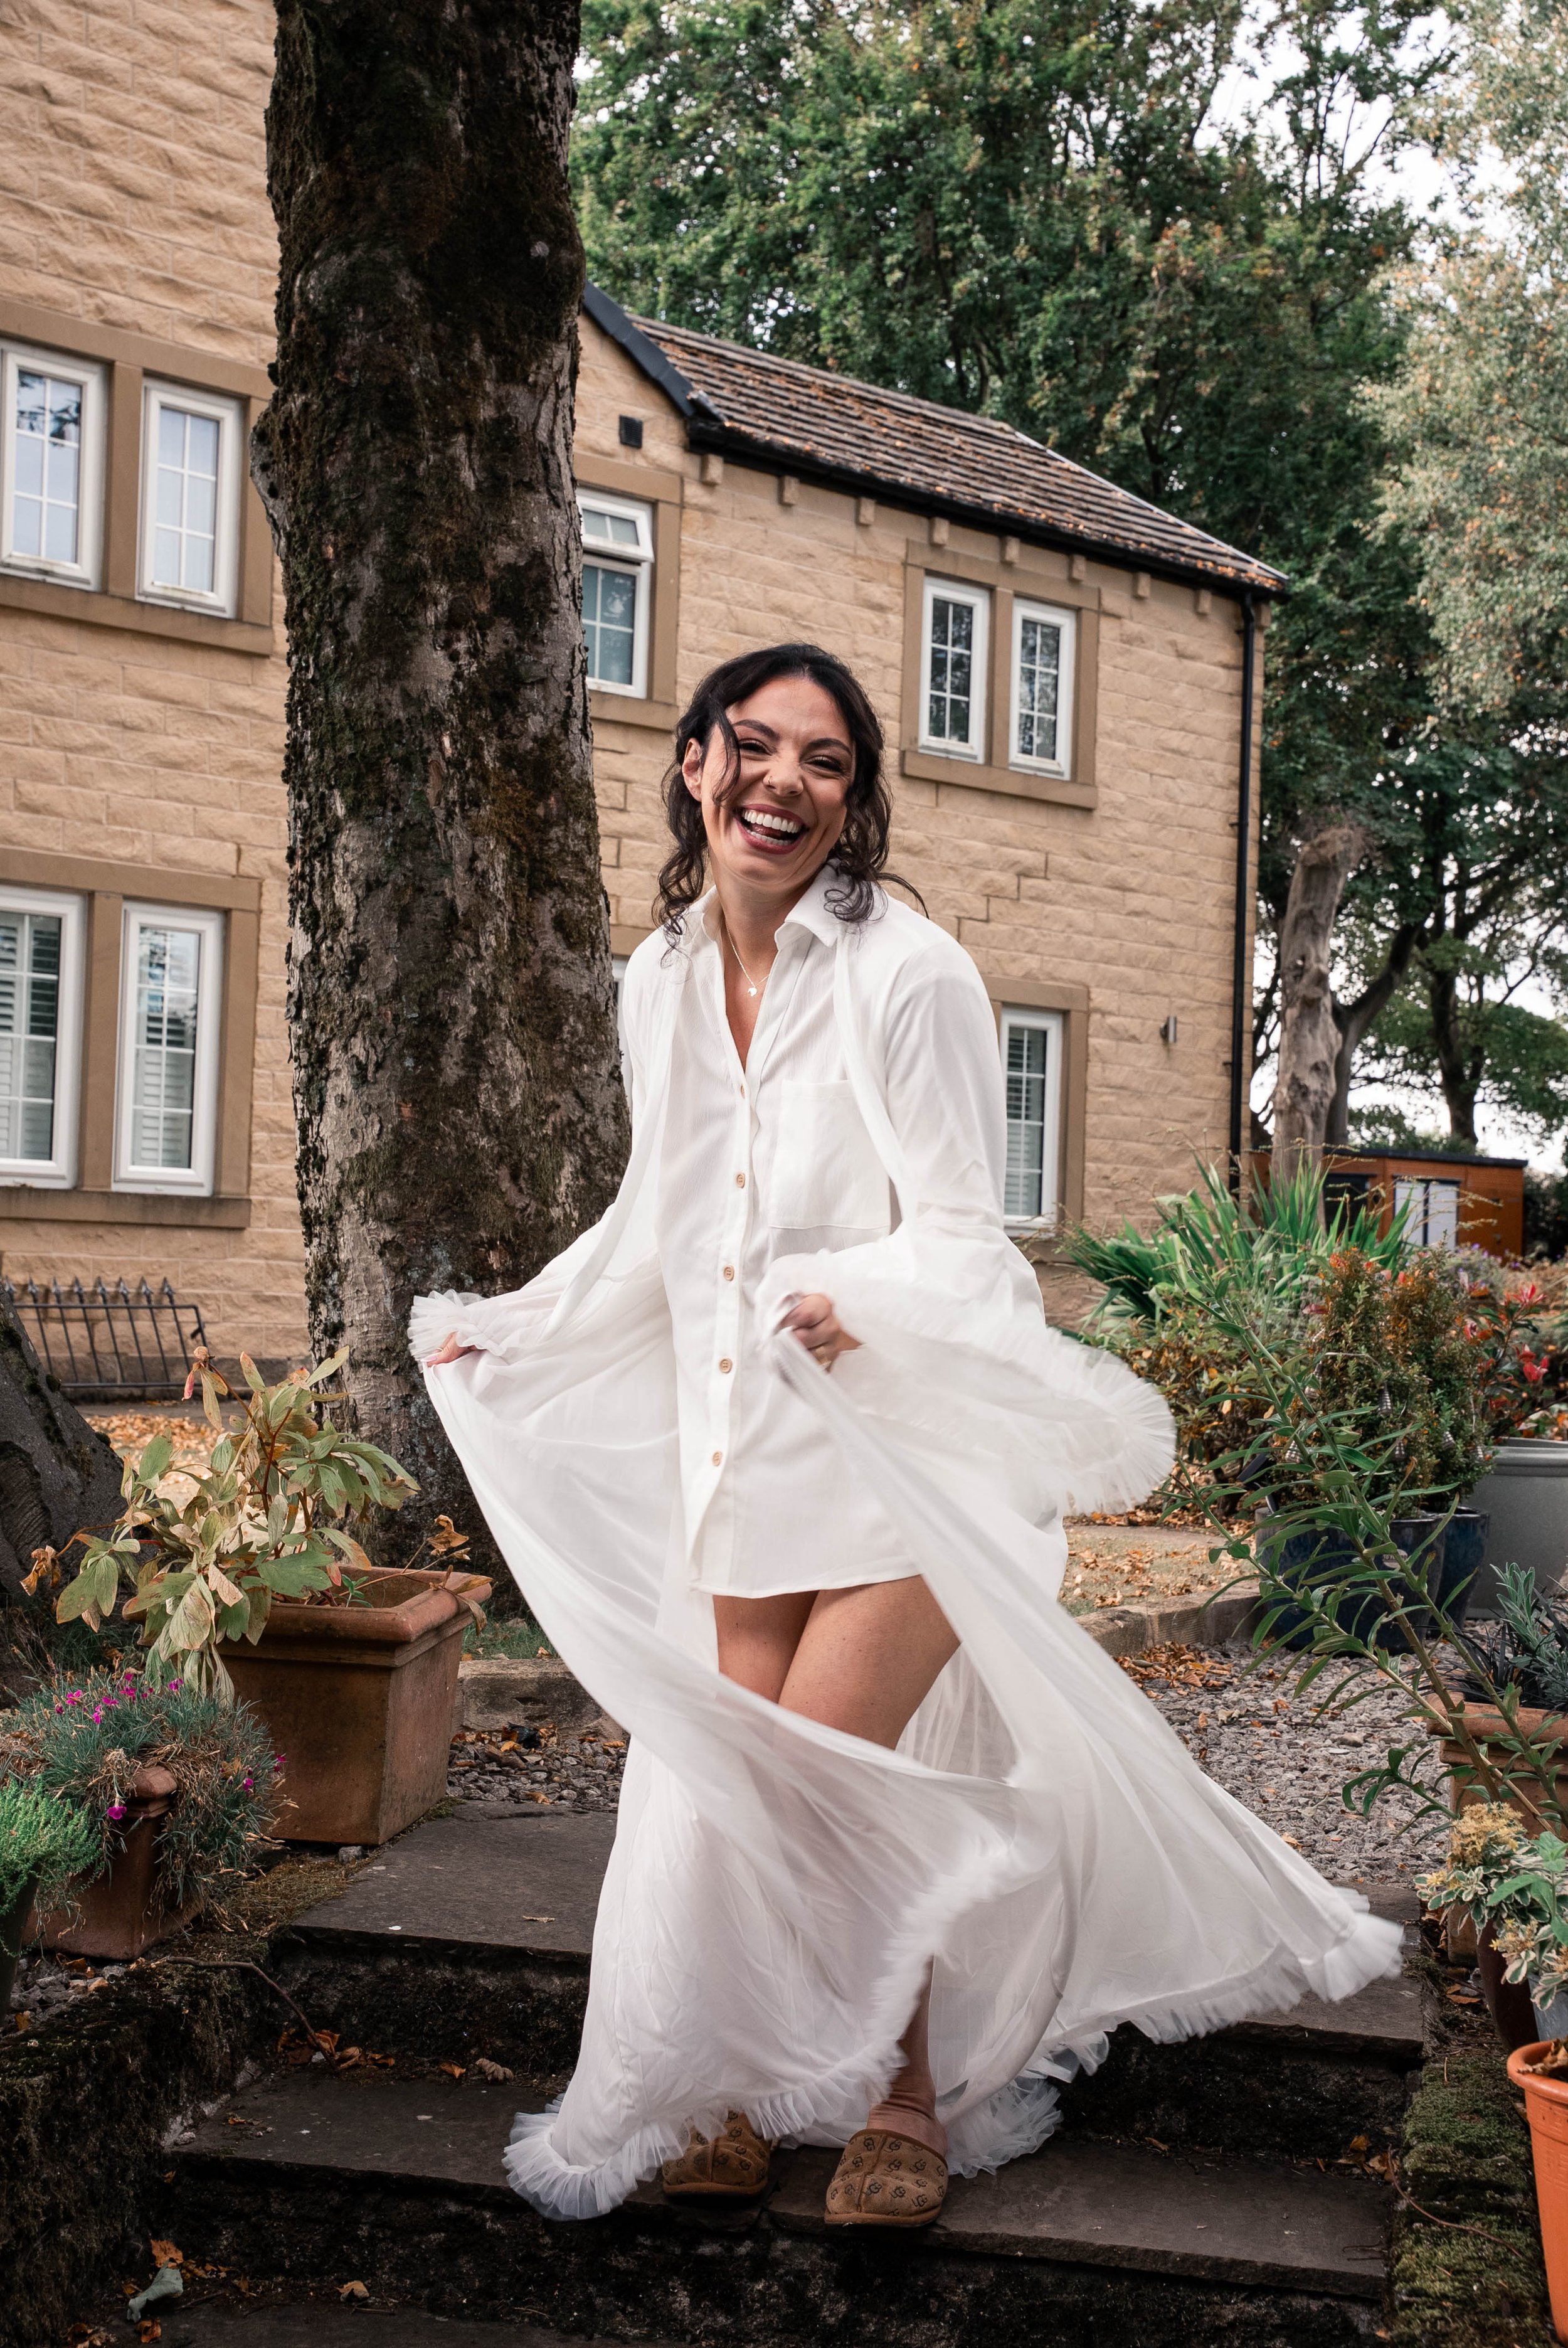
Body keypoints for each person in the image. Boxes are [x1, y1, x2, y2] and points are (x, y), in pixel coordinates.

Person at [415, 642, 1402, 2229]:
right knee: (744, 1795)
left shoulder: (905, 969)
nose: (782, 780)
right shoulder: (657, 974)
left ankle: (898, 2098)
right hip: (738, 1460)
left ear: (853, 800)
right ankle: (738, 2082)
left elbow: (965, 1236)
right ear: (693, 765)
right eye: (753, 745)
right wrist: (512, 1325)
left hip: (905, 1453)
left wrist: (850, 1293)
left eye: (822, 761)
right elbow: (653, 1220)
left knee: (825, 1783)